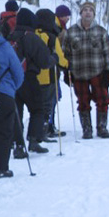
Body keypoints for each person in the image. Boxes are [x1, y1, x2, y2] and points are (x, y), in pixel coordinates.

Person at [62, 2, 109, 139]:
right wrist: (66, 72)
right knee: (83, 102)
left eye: (90, 10)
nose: (87, 12)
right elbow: (65, 54)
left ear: (94, 14)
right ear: (80, 13)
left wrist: (108, 71)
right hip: (78, 73)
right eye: (85, 10)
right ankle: (87, 129)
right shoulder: (71, 32)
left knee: (103, 100)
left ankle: (102, 127)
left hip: (98, 72)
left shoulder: (101, 31)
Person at [9, 8, 57, 156]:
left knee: (16, 112)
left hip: (10, 79)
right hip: (29, 78)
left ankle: (18, 144)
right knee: (37, 109)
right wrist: (54, 58)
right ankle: (33, 140)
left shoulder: (10, 36)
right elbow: (44, 62)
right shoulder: (32, 37)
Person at [0, 21, 25, 178]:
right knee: (4, 132)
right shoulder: (5, 46)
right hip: (5, 93)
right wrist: (12, 88)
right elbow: (18, 72)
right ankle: (0, 167)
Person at [34, 8, 68, 144]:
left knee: (36, 106)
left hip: (33, 75)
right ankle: (44, 130)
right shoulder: (51, 36)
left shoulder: (32, 34)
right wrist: (67, 65)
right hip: (48, 75)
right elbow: (59, 56)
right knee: (47, 105)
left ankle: (37, 131)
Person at [48, 4, 72, 138]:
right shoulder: (57, 28)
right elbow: (58, 49)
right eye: (66, 15)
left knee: (55, 95)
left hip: (54, 67)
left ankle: (49, 124)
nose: (67, 18)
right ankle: (49, 125)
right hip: (54, 67)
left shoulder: (59, 26)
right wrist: (66, 64)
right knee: (54, 95)